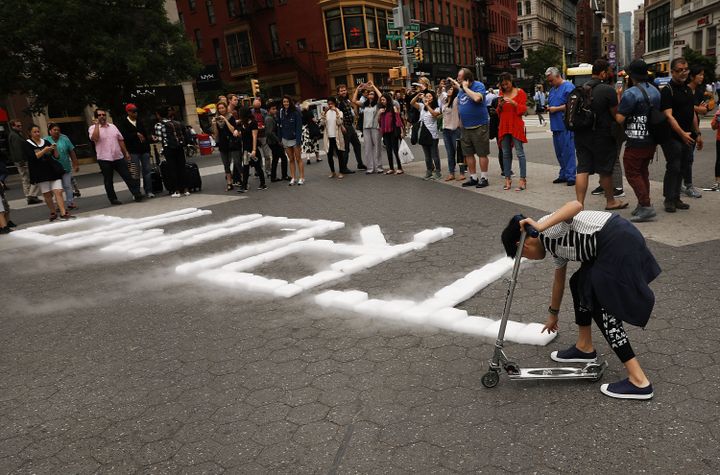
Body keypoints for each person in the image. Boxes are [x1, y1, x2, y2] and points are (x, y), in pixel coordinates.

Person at [501, 200, 660, 400]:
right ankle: (584, 347)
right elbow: (559, 280)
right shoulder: (552, 247)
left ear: (522, 245)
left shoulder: (547, 230)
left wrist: (540, 226)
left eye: (524, 256)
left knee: (601, 305)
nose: (530, 259)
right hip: (610, 244)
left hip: (617, 241)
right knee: (579, 282)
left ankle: (639, 381)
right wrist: (553, 314)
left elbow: (576, 205)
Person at [572, 60, 626, 210]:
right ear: (602, 73)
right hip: (601, 136)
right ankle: (611, 202)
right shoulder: (607, 90)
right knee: (605, 170)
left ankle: (579, 204)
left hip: (581, 135)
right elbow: (616, 115)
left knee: (582, 169)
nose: (609, 74)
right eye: (608, 71)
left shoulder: (580, 89)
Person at [615, 59, 661, 222]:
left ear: (631, 75)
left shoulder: (631, 93)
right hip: (652, 139)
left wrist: (620, 99)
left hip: (636, 139)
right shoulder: (655, 91)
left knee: (632, 173)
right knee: (642, 172)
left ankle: (646, 206)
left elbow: (619, 118)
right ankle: (643, 205)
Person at [660, 57, 703, 213]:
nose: (683, 73)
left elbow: (691, 114)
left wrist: (697, 133)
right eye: (679, 70)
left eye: (686, 70)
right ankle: (669, 199)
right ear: (672, 72)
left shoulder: (687, 90)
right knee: (674, 166)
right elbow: (669, 116)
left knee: (684, 166)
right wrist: (682, 134)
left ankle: (677, 197)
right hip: (672, 136)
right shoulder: (667, 90)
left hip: (688, 136)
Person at [89, 108, 143, 205]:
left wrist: (125, 152)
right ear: (96, 117)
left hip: (118, 156)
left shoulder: (113, 126)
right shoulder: (92, 128)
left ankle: (137, 194)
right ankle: (113, 199)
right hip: (104, 158)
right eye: (99, 115)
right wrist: (97, 125)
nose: (102, 116)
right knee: (108, 180)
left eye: (103, 114)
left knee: (128, 176)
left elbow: (120, 139)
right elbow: (95, 138)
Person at [450, 68, 490, 188]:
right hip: (465, 127)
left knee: (482, 153)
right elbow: (462, 102)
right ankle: (473, 177)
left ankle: (484, 177)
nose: (458, 79)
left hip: (479, 126)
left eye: (459, 77)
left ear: (467, 79)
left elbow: (477, 98)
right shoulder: (461, 89)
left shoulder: (478, 86)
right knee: (468, 154)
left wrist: (466, 88)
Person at [26, 125, 74, 220]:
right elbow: (32, 157)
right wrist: (44, 150)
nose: (37, 134)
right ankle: (53, 212)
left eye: (38, 131)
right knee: (47, 194)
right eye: (35, 132)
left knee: (58, 191)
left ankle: (63, 212)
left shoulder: (46, 142)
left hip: (52, 170)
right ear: (30, 133)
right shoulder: (27, 144)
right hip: (40, 172)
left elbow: (56, 157)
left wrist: (54, 148)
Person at [497, 72, 528, 191]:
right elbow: (499, 112)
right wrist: (500, 105)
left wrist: (515, 103)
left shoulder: (520, 92)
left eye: (507, 83)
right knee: (505, 153)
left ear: (511, 81)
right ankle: (507, 178)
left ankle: (522, 179)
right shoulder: (501, 93)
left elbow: (523, 110)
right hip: (504, 125)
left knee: (520, 153)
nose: (505, 86)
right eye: (503, 85)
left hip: (516, 125)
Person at [545, 67, 577, 186]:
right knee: (559, 152)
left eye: (551, 80)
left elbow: (572, 104)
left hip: (565, 124)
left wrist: (556, 109)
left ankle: (571, 175)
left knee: (568, 151)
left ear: (558, 76)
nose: (550, 83)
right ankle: (563, 173)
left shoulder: (568, 87)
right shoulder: (553, 89)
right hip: (556, 125)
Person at [681, 65, 708, 199]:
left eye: (703, 75)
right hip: (682, 129)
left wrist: (698, 133)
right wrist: (698, 108)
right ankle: (687, 185)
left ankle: (684, 185)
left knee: (688, 158)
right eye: (700, 74)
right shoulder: (685, 90)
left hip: (693, 127)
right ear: (692, 76)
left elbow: (702, 110)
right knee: (684, 158)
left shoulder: (699, 91)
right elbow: (692, 109)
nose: (702, 77)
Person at [118, 103, 154, 199]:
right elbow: (124, 136)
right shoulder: (124, 123)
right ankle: (137, 192)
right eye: (133, 111)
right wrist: (136, 134)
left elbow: (145, 135)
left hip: (144, 149)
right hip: (133, 150)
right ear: (128, 112)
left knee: (147, 170)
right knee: (135, 172)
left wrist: (148, 149)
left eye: (136, 111)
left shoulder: (140, 121)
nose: (135, 113)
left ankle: (149, 190)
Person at [154, 106, 189, 198]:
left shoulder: (159, 125)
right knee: (181, 166)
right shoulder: (177, 123)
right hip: (179, 147)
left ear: (159, 115)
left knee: (172, 168)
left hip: (168, 148)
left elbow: (160, 139)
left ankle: (177, 191)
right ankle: (185, 189)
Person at [45, 123, 79, 211]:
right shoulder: (46, 140)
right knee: (56, 188)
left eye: (58, 130)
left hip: (65, 166)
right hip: (53, 169)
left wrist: (75, 164)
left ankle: (70, 203)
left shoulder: (65, 139)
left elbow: (71, 152)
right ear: (50, 131)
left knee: (67, 185)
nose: (57, 132)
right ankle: (58, 205)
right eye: (54, 130)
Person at [8, 119, 42, 204]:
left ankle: (30, 196)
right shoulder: (15, 136)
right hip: (22, 161)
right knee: (28, 178)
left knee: (27, 179)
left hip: (21, 160)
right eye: (18, 126)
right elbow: (18, 150)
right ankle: (30, 196)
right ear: (13, 126)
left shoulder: (16, 134)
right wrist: (22, 161)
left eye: (20, 125)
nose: (20, 127)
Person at [352, 82, 383, 174]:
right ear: (367, 95)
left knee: (377, 147)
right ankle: (370, 168)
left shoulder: (377, 104)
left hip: (375, 128)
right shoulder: (364, 104)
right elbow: (353, 100)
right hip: (366, 128)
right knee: (367, 148)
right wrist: (357, 89)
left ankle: (379, 167)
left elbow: (381, 96)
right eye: (369, 93)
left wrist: (373, 86)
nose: (371, 94)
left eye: (372, 93)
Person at [411, 90, 442, 180]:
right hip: (423, 133)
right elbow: (412, 102)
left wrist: (427, 105)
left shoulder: (437, 108)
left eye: (430, 96)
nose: (428, 97)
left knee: (434, 154)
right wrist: (418, 95)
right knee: (427, 155)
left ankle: (438, 172)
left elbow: (434, 114)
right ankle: (429, 170)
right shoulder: (421, 106)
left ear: (434, 98)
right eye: (426, 96)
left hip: (432, 134)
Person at [211, 101, 240, 191]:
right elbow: (216, 135)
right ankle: (229, 182)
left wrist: (225, 120)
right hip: (223, 144)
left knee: (237, 162)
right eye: (219, 108)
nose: (221, 110)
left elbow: (233, 130)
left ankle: (243, 180)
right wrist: (214, 124)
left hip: (232, 143)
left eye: (222, 108)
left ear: (226, 108)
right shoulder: (216, 119)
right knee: (226, 164)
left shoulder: (230, 117)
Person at [236, 107, 266, 193]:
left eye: (240, 113)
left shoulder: (253, 123)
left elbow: (254, 136)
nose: (239, 115)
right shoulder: (242, 123)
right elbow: (242, 134)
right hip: (245, 149)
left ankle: (263, 183)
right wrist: (238, 133)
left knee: (257, 166)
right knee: (245, 168)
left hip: (252, 148)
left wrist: (254, 150)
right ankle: (244, 186)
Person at [336, 84, 364, 171]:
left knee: (357, 145)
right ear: (338, 92)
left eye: (344, 90)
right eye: (341, 91)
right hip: (345, 127)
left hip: (350, 127)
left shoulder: (346, 100)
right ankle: (343, 168)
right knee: (346, 148)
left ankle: (360, 164)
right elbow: (338, 116)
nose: (344, 92)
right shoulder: (339, 103)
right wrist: (342, 127)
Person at [279, 95, 304, 185]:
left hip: (295, 139)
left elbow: (299, 127)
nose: (285, 103)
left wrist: (298, 140)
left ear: (290, 102)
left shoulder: (296, 112)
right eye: (284, 102)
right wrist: (280, 138)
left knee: (298, 158)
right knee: (291, 159)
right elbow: (279, 125)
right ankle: (293, 177)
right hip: (285, 138)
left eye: (287, 101)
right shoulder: (281, 111)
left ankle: (301, 177)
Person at [440, 82, 462, 181]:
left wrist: (455, 83)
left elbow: (461, 91)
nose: (449, 90)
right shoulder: (444, 102)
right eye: (449, 89)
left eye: (452, 89)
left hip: (455, 129)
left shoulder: (456, 101)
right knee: (450, 152)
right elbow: (441, 92)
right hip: (446, 130)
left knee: (459, 152)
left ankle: (462, 172)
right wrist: (443, 86)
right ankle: (451, 172)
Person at [320, 96, 346, 179]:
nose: (330, 105)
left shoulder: (339, 112)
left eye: (331, 103)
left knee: (340, 155)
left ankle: (341, 172)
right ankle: (332, 171)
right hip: (328, 137)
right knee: (329, 155)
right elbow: (322, 124)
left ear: (334, 103)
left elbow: (339, 122)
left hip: (337, 136)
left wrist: (337, 113)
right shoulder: (325, 112)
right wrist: (324, 114)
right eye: (329, 103)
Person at [377, 92, 403, 175]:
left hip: (393, 131)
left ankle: (399, 168)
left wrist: (402, 131)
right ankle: (391, 168)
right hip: (385, 132)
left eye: (384, 100)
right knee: (388, 150)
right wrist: (379, 113)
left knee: (395, 150)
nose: (382, 101)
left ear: (388, 100)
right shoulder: (381, 109)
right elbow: (379, 121)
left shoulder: (393, 108)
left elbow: (398, 120)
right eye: (381, 100)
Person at [265, 102, 289, 182]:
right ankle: (284, 175)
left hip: (273, 142)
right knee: (283, 157)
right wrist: (278, 141)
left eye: (275, 109)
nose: (275, 110)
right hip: (274, 142)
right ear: (268, 110)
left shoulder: (271, 117)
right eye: (273, 109)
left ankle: (273, 177)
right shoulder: (269, 119)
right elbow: (270, 132)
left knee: (275, 158)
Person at [251, 99, 273, 176]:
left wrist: (264, 127)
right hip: (254, 136)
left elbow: (267, 121)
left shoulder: (264, 112)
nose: (257, 109)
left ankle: (268, 170)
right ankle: (258, 170)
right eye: (255, 107)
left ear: (260, 105)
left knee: (267, 155)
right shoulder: (251, 112)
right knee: (256, 155)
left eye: (258, 107)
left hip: (263, 135)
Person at [709, 109, 720, 191]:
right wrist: (717, 120)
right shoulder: (719, 112)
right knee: (719, 160)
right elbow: (713, 127)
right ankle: (717, 182)